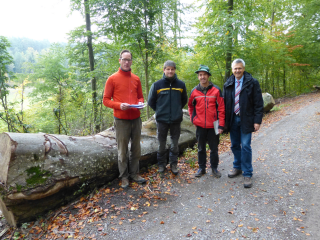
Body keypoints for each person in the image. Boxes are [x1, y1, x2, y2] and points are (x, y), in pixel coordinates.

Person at [103, 49, 147, 188]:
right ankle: (124, 177)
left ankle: (135, 174)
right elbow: (105, 100)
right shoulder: (112, 78)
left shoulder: (136, 79)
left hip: (136, 118)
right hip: (121, 120)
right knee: (122, 150)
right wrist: (119, 105)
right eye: (124, 59)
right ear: (120, 60)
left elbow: (140, 96)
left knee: (136, 148)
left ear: (131, 61)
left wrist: (140, 102)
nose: (127, 62)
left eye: (129, 60)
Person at [223, 59, 263, 188]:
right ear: (232, 69)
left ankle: (247, 173)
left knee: (245, 145)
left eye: (239, 68)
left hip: (246, 119)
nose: (237, 71)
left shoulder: (252, 82)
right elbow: (224, 104)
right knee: (235, 145)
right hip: (232, 119)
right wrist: (223, 122)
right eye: (235, 68)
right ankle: (237, 167)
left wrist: (257, 121)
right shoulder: (228, 83)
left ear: (243, 69)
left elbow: (258, 103)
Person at [148, 60, 188, 175]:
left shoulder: (181, 85)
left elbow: (183, 100)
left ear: (174, 70)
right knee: (161, 144)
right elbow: (151, 101)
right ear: (164, 70)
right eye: (168, 69)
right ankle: (161, 165)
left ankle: (173, 164)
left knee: (174, 144)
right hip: (162, 120)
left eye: (172, 69)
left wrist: (176, 110)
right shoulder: (157, 85)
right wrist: (160, 111)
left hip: (176, 120)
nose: (170, 71)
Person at [188, 65, 225, 178]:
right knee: (201, 148)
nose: (202, 77)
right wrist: (193, 119)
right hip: (199, 125)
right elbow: (190, 106)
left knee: (214, 148)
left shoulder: (216, 90)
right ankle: (201, 168)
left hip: (214, 125)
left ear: (208, 76)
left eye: (204, 74)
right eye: (200, 75)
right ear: (198, 77)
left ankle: (214, 168)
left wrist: (221, 125)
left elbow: (222, 108)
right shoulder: (194, 91)